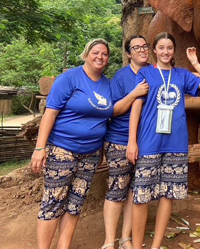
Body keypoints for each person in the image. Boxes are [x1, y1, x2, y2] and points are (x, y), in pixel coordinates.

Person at [126, 32, 200, 249]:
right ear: (154, 51)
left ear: (173, 51)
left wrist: (195, 63)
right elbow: (135, 108)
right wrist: (132, 141)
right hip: (149, 143)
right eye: (161, 48)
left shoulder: (182, 75)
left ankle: (156, 245)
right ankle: (138, 244)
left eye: (169, 48)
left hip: (176, 144)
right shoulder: (145, 74)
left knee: (167, 196)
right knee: (141, 197)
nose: (165, 52)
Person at [31, 38, 114, 249]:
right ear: (86, 55)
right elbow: (50, 113)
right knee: (54, 200)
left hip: (91, 153)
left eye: (104, 54)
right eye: (96, 52)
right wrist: (40, 148)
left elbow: (107, 117)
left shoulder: (107, 84)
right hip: (62, 150)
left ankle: (64, 246)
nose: (100, 57)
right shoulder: (69, 79)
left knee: (76, 203)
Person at [101, 35, 150, 249]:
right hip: (119, 141)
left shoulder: (154, 73)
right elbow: (114, 110)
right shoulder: (120, 78)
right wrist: (135, 93)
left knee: (134, 191)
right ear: (128, 53)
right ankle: (109, 241)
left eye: (145, 46)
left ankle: (126, 238)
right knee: (117, 189)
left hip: (146, 143)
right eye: (136, 47)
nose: (142, 50)